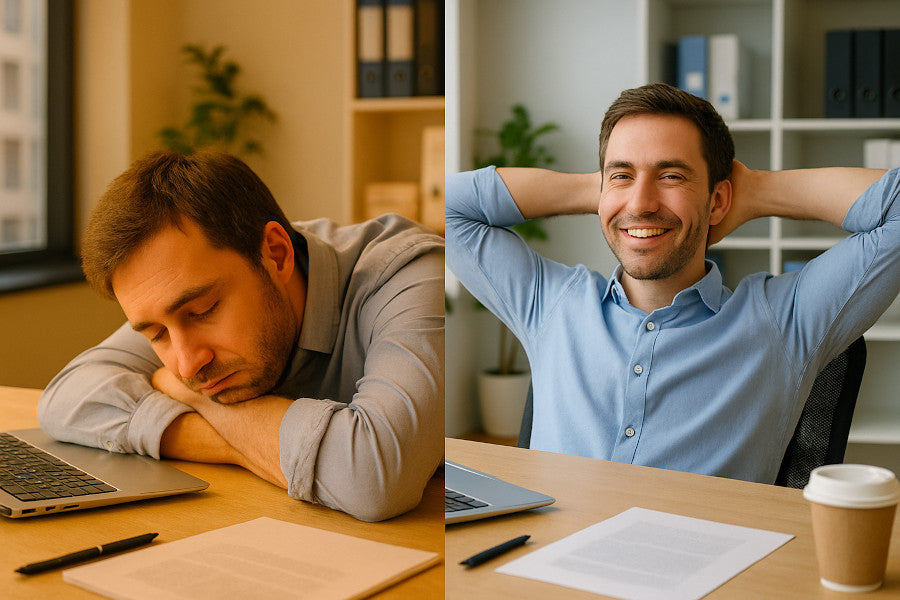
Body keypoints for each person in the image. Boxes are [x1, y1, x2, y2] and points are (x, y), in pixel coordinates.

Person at [447, 83, 899, 484]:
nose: (642, 203)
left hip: (703, 574)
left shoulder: (785, 321)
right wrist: (605, 192)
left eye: (671, 176)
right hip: (544, 569)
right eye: (622, 174)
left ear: (719, 198)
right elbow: (450, 208)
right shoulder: (550, 303)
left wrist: (756, 190)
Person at [38, 151, 444, 522]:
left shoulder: (408, 274)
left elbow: (372, 478)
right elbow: (64, 398)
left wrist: (190, 396)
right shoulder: (180, 288)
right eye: (156, 335)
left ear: (277, 254)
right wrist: (247, 445)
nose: (185, 363)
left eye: (203, 312)